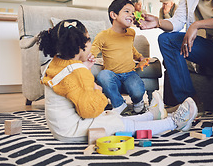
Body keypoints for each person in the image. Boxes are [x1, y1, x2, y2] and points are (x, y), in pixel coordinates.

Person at [38, 19, 198, 142]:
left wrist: (85, 67)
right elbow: (89, 110)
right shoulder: (79, 72)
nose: (90, 43)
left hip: (61, 128)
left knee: (111, 117)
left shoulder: (55, 64)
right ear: (80, 45)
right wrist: (98, 91)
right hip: (73, 131)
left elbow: (68, 83)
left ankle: (149, 116)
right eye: (88, 40)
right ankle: (174, 123)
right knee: (117, 123)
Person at [90, 0, 149, 114]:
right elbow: (93, 51)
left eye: (132, 13)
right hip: (112, 76)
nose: (131, 15)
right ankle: (119, 104)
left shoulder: (131, 33)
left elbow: (130, 48)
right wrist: (86, 59)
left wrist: (140, 57)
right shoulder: (103, 35)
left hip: (129, 74)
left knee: (137, 89)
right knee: (103, 75)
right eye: (127, 11)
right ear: (113, 15)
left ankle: (138, 103)